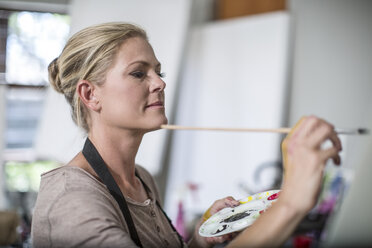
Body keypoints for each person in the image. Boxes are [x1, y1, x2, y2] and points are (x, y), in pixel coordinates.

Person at [31, 22, 342, 248]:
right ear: (90, 95)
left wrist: (198, 241)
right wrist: (291, 204)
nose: (160, 83)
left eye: (159, 72)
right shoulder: (70, 196)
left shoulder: (141, 179)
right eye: (140, 73)